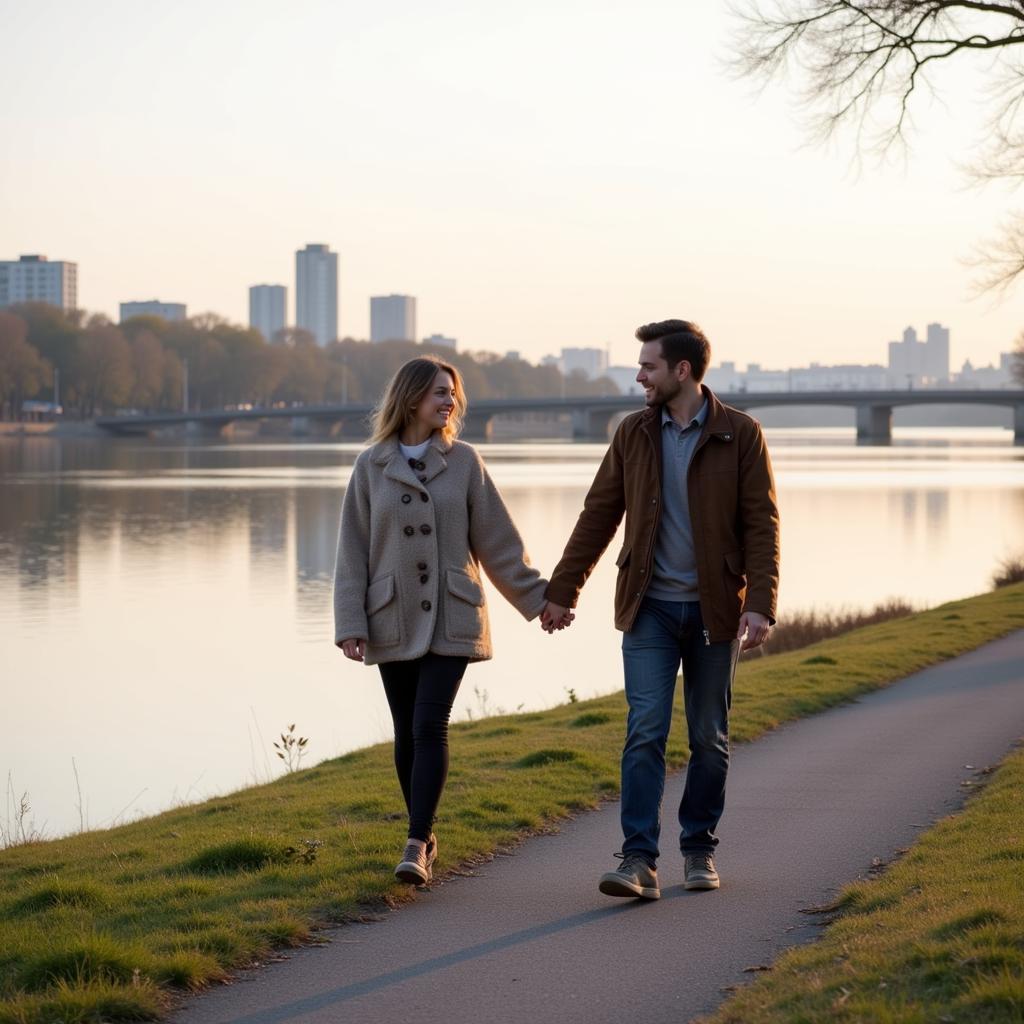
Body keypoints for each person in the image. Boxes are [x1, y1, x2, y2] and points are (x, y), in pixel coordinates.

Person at [541, 319, 780, 900]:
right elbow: (598, 515)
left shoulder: (740, 434)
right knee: (644, 730)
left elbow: (761, 526)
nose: (639, 375)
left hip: (716, 611)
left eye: (648, 365)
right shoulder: (633, 433)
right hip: (648, 606)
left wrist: (762, 606)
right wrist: (562, 590)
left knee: (708, 738)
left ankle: (698, 849)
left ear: (682, 370)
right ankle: (638, 860)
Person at [334, 356, 552, 885]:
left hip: (454, 613)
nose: (449, 402)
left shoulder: (466, 462)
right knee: (406, 732)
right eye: (439, 393)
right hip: (392, 614)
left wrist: (541, 600)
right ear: (411, 397)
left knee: (431, 724)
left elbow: (499, 543)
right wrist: (350, 621)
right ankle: (425, 833)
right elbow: (352, 550)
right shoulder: (371, 465)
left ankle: (415, 842)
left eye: (452, 393)